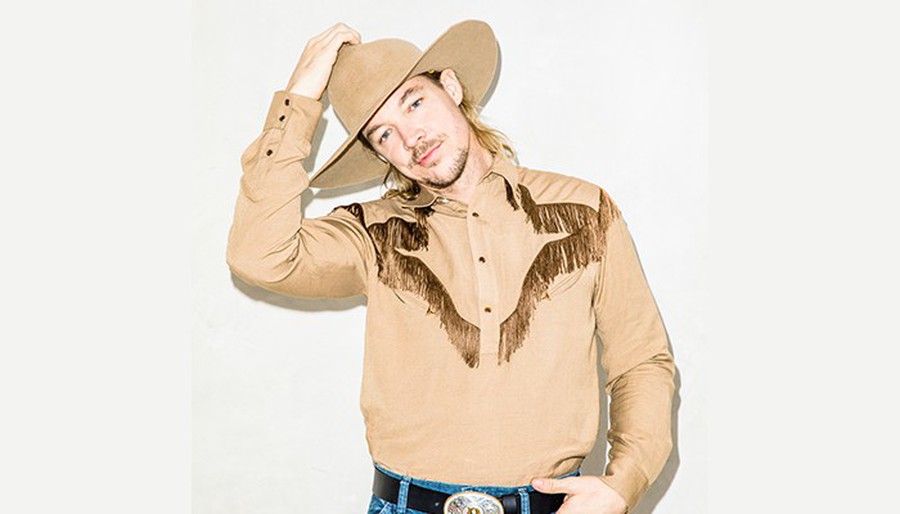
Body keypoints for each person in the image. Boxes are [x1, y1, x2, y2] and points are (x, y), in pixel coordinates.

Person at [226, 19, 676, 514]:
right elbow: (258, 255)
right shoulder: (371, 233)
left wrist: (621, 484)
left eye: (414, 103)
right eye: (384, 134)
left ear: (452, 88)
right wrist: (297, 101)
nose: (412, 138)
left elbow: (641, 361)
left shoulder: (583, 210)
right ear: (379, 155)